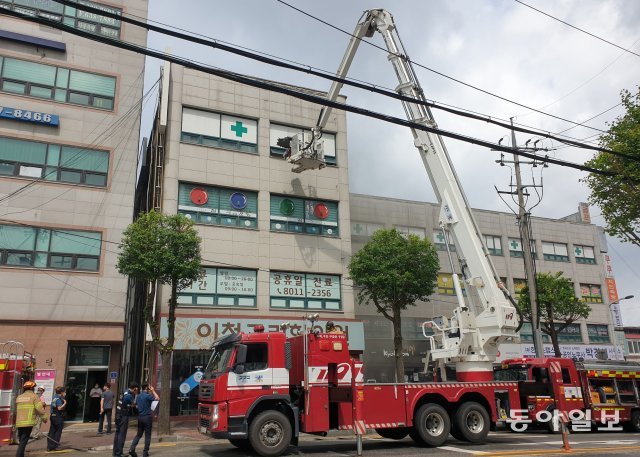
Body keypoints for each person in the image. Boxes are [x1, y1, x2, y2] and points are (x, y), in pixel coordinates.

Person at [15, 380, 47, 457]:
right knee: (23, 442)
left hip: (19, 422)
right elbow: (40, 409)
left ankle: (20, 455)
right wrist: (44, 418)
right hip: (28, 423)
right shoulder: (34, 397)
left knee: (21, 441)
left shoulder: (19, 397)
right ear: (32, 388)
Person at [128, 384, 159, 457]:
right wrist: (153, 390)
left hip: (140, 417)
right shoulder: (147, 396)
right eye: (149, 387)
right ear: (146, 388)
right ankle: (145, 452)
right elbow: (157, 398)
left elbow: (134, 404)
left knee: (138, 434)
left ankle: (132, 449)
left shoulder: (138, 396)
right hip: (147, 417)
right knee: (147, 435)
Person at [113, 381, 139, 457]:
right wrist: (136, 395)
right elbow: (134, 404)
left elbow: (127, 404)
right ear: (135, 388)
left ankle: (115, 452)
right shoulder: (129, 396)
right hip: (123, 416)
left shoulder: (125, 392)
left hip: (118, 414)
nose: (137, 390)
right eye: (137, 389)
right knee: (122, 434)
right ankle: (119, 453)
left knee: (117, 434)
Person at [47, 386, 67, 452]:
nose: (65, 393)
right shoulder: (58, 399)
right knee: (58, 432)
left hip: (53, 416)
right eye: (64, 392)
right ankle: (55, 446)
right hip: (58, 416)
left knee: (52, 431)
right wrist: (64, 403)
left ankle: (49, 446)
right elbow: (59, 408)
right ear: (61, 392)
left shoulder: (54, 397)